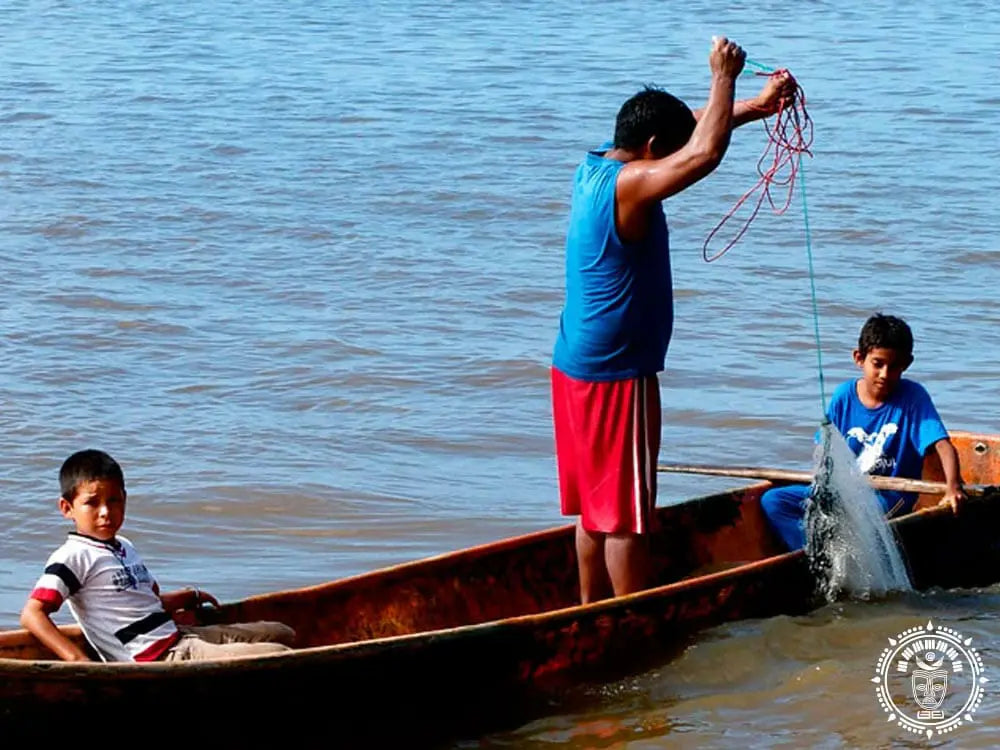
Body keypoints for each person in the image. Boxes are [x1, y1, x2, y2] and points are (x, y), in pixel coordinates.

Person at [551, 37, 797, 603]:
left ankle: (590, 612)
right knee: (628, 517)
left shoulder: (593, 168)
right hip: (617, 376)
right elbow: (701, 154)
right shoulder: (631, 187)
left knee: (595, 508)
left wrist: (756, 109)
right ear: (653, 147)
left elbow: (691, 130)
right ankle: (631, 620)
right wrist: (723, 76)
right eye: (667, 150)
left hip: (574, 365)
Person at [20, 449, 296, 662]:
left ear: (125, 499)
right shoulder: (72, 557)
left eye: (114, 500)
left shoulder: (124, 546)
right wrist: (76, 660)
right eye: (92, 503)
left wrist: (189, 596)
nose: (105, 511)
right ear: (67, 508)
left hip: (177, 636)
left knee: (283, 631)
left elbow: (146, 604)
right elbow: (33, 614)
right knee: (279, 653)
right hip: (157, 656)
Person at [760, 313, 967, 551]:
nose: (884, 374)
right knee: (774, 501)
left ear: (906, 364)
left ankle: (827, 551)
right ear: (859, 358)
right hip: (846, 491)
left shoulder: (913, 398)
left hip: (888, 497)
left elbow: (942, 445)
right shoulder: (844, 396)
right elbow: (825, 448)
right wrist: (823, 482)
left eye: (894, 366)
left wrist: (953, 487)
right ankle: (809, 554)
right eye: (877, 364)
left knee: (850, 513)